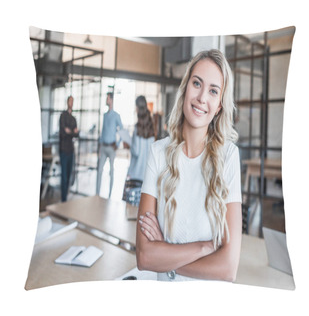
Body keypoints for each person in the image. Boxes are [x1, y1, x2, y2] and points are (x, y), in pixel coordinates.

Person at [136, 49, 242, 282]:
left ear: (219, 106)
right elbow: (144, 257)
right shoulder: (157, 153)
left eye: (213, 91)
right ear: (185, 88)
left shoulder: (229, 157)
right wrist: (205, 248)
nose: (202, 97)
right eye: (197, 83)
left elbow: (228, 268)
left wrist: (164, 254)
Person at [96, 92, 123, 198]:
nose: (106, 100)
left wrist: (118, 144)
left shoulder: (116, 116)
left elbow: (122, 131)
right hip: (103, 147)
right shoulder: (104, 115)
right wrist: (99, 145)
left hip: (112, 148)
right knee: (99, 171)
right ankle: (97, 194)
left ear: (111, 100)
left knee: (111, 172)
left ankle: (110, 195)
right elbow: (103, 131)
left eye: (108, 99)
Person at [126, 95, 155, 181]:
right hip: (147, 175)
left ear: (138, 108)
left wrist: (129, 145)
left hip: (135, 173)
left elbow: (136, 151)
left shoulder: (137, 127)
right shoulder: (151, 127)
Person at [59, 95, 79, 202]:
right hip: (63, 150)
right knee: (64, 176)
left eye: (73, 101)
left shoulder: (73, 119)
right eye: (70, 101)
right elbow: (63, 132)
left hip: (71, 150)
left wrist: (70, 131)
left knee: (68, 176)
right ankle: (63, 200)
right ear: (67, 102)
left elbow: (76, 134)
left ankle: (65, 198)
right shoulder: (63, 116)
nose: (71, 103)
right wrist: (72, 132)